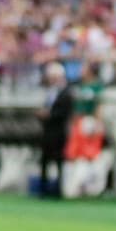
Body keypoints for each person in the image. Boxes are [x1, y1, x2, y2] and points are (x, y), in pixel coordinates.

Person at [37, 62, 75, 200]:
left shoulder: (66, 92)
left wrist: (49, 114)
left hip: (59, 132)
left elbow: (64, 112)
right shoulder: (51, 91)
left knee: (59, 161)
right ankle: (43, 189)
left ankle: (58, 190)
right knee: (44, 161)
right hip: (47, 131)